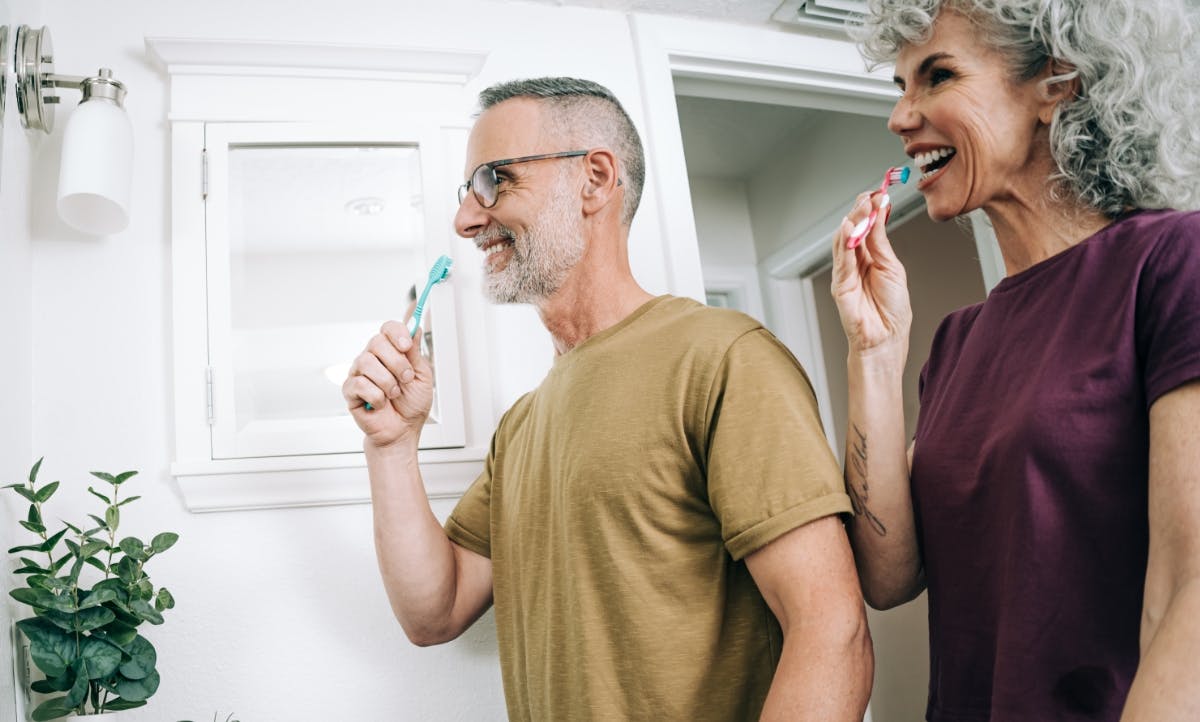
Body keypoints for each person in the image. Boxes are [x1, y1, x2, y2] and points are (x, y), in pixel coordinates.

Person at [344, 77, 873, 720]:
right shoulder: (521, 426)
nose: (465, 219)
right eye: (466, 193)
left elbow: (831, 633)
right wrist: (392, 447)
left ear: (594, 179)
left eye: (493, 180)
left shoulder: (722, 358)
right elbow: (435, 611)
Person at [831, 1, 1200, 719]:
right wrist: (874, 354)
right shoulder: (959, 340)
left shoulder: (1173, 262)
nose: (901, 118)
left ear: (1056, 81)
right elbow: (889, 573)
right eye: (899, 87)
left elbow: (1191, 593)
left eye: (936, 77)